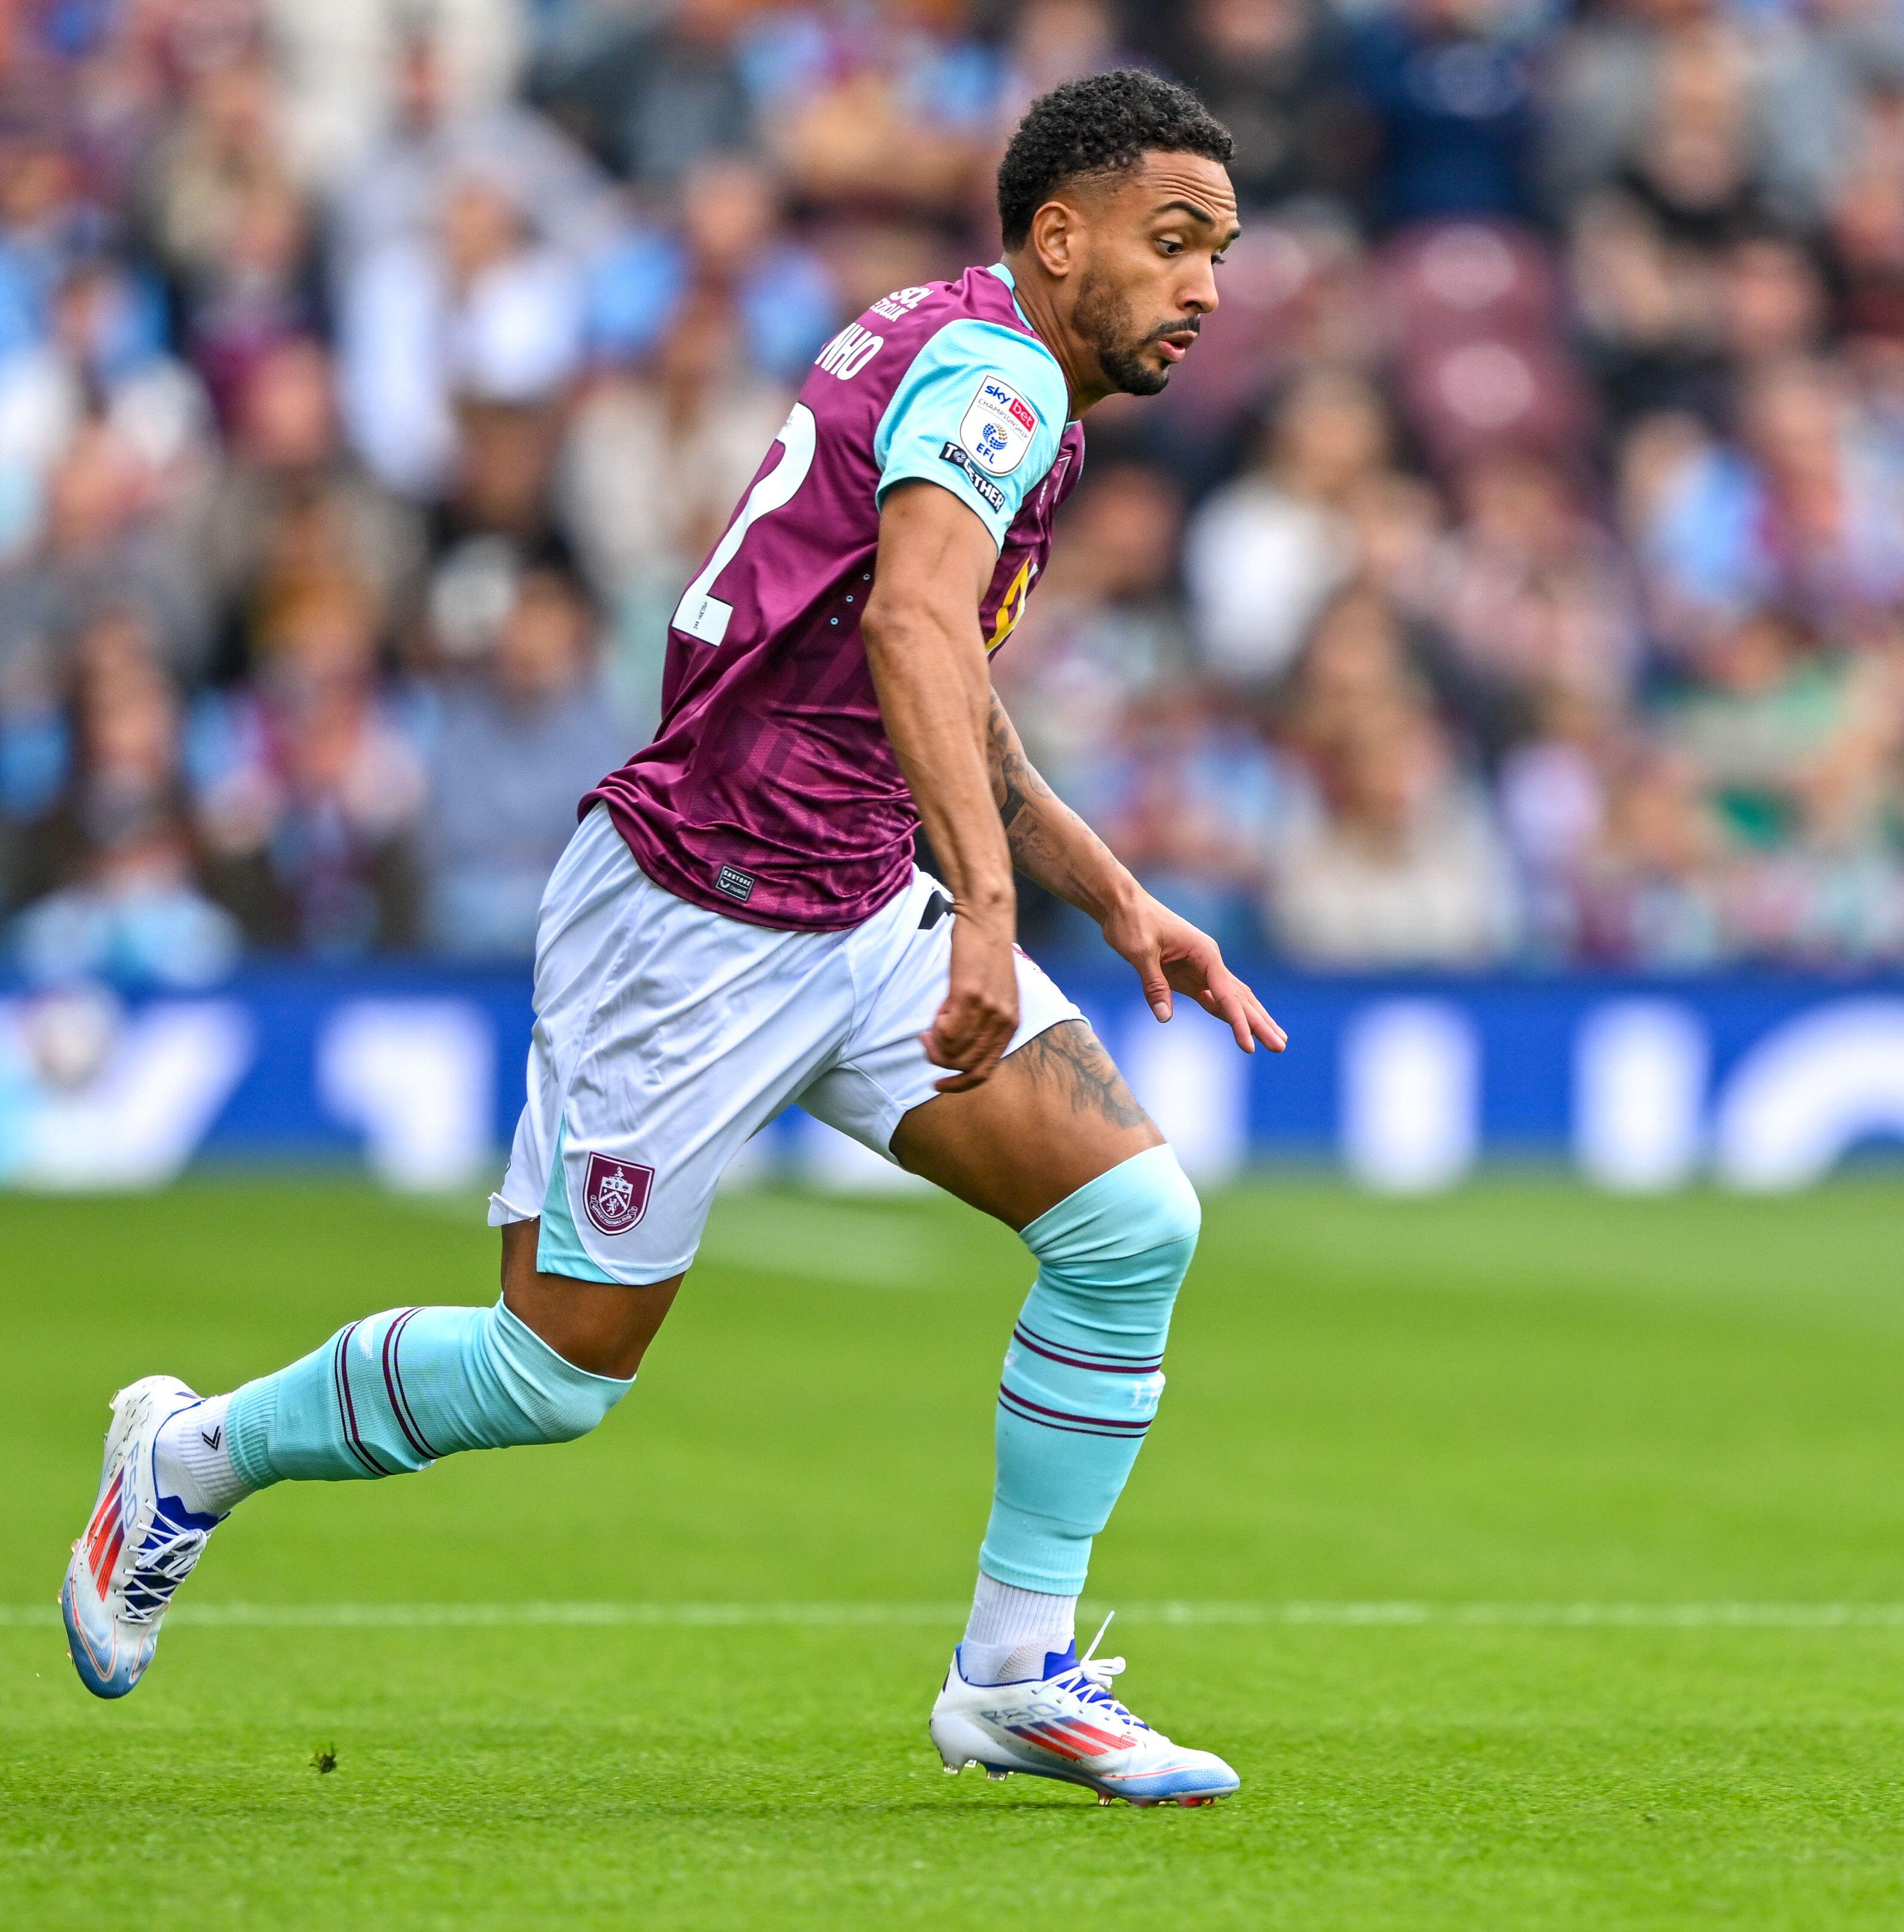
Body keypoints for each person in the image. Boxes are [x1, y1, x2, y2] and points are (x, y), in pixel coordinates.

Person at [60, 73, 1283, 1811]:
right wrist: (994, 922)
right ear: (1060, 233)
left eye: (1220, 253)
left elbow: (940, 659)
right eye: (1175, 243)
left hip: (850, 898)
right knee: (548, 1375)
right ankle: (186, 1452)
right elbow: (917, 635)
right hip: (696, 914)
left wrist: (1102, 884)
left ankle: (1014, 1676)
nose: (1207, 289)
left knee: (1126, 1223)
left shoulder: (969, 354)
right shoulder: (1003, 378)